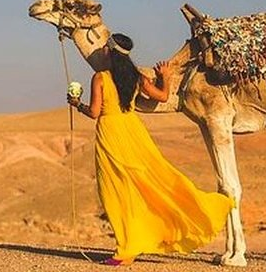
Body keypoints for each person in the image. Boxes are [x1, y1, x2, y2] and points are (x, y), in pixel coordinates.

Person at [67, 33, 234, 266]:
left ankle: (126, 249)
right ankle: (132, 245)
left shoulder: (100, 78)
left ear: (110, 52)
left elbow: (95, 112)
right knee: (152, 182)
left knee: (115, 192)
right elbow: (164, 96)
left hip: (111, 133)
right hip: (134, 131)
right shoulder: (137, 77)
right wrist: (164, 77)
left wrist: (77, 104)